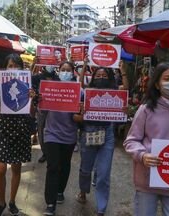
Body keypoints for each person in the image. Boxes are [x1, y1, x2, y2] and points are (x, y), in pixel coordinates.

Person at [123, 62, 169, 216]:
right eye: (167, 78)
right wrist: (143, 155)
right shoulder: (146, 109)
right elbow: (131, 141)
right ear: (157, 84)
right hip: (148, 180)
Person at [73, 66, 127, 216]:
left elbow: (126, 88)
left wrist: (123, 110)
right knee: (85, 168)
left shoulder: (115, 93)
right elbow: (75, 115)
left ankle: (101, 208)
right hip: (88, 133)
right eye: (98, 75)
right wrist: (83, 113)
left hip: (107, 134)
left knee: (104, 172)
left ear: (109, 78)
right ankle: (83, 191)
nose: (101, 78)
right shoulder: (84, 94)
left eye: (104, 76)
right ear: (92, 77)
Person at [0, 54, 34, 216]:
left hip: (21, 129)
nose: (13, 69)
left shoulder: (28, 88)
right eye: (10, 66)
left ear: (22, 69)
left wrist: (31, 98)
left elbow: (32, 112)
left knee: (16, 167)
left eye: (16, 66)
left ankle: (12, 202)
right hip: (2, 130)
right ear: (5, 69)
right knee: (0, 169)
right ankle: (1, 202)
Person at [43, 61, 79, 216]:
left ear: (73, 73)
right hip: (51, 134)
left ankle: (60, 191)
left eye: (68, 70)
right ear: (58, 72)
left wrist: (80, 114)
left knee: (64, 165)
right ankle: (50, 203)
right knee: (52, 166)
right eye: (63, 70)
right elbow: (42, 109)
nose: (65, 72)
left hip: (69, 135)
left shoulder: (79, 91)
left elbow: (80, 115)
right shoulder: (50, 88)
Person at [32, 65, 59, 163]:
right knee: (41, 130)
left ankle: (53, 152)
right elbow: (31, 91)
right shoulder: (36, 78)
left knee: (54, 130)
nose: (50, 66)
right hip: (41, 109)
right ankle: (45, 153)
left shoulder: (58, 79)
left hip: (55, 110)